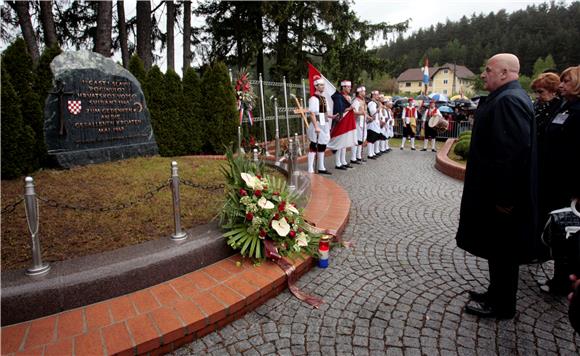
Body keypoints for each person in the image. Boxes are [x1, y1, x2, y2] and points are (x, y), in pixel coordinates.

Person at [456, 53, 544, 319]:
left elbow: (512, 154)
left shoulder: (509, 101)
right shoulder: (508, 97)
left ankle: (502, 305)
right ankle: (495, 293)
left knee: (504, 251)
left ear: (505, 73)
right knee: (497, 248)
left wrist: (505, 197)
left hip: (502, 198)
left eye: (488, 69)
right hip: (497, 194)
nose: (484, 74)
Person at [540, 66, 580, 295]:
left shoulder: (578, 112)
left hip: (568, 185)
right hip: (552, 179)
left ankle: (563, 282)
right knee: (557, 230)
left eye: (566, 81)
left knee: (568, 233)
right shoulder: (563, 107)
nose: (561, 85)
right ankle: (558, 277)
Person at [307, 75, 336, 175]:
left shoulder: (323, 98)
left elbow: (325, 114)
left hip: (324, 124)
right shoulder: (313, 99)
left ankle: (321, 167)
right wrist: (316, 127)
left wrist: (332, 117)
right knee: (314, 145)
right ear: (316, 86)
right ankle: (310, 168)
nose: (323, 87)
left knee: (322, 145)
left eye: (323, 85)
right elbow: (312, 114)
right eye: (321, 85)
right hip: (318, 124)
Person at [331, 80, 354, 169]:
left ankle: (343, 161)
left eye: (350, 87)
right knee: (339, 142)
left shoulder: (348, 97)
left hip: (347, 121)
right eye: (348, 87)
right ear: (343, 87)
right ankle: (338, 163)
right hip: (340, 121)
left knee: (344, 142)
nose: (349, 88)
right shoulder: (338, 97)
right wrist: (349, 108)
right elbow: (339, 110)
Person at [351, 86, 368, 163]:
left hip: (363, 121)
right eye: (363, 91)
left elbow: (365, 111)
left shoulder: (363, 100)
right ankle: (353, 157)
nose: (364, 93)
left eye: (364, 91)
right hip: (357, 121)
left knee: (361, 139)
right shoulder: (356, 101)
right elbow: (353, 112)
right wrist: (360, 113)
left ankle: (359, 156)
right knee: (357, 139)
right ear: (359, 92)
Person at [367, 90, 383, 159]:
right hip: (372, 123)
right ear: (373, 95)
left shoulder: (375, 103)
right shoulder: (371, 103)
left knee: (374, 138)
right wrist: (379, 108)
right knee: (371, 138)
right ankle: (369, 154)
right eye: (376, 95)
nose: (378, 96)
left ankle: (372, 152)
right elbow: (373, 112)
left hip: (375, 122)